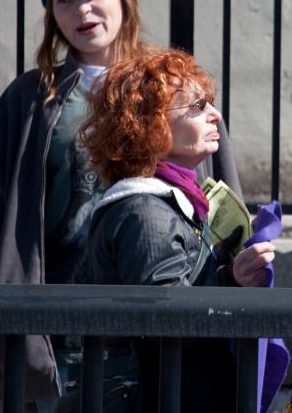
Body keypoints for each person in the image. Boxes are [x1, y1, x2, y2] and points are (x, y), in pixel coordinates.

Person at [0, 0, 244, 407]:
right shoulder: (29, 99)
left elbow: (218, 193)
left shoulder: (173, 91)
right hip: (53, 326)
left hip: (155, 323)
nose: (81, 9)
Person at [81, 48, 274, 412]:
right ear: (148, 125)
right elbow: (168, 321)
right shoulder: (144, 211)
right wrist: (230, 279)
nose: (216, 115)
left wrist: (227, 272)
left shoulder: (165, 200)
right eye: (198, 107)